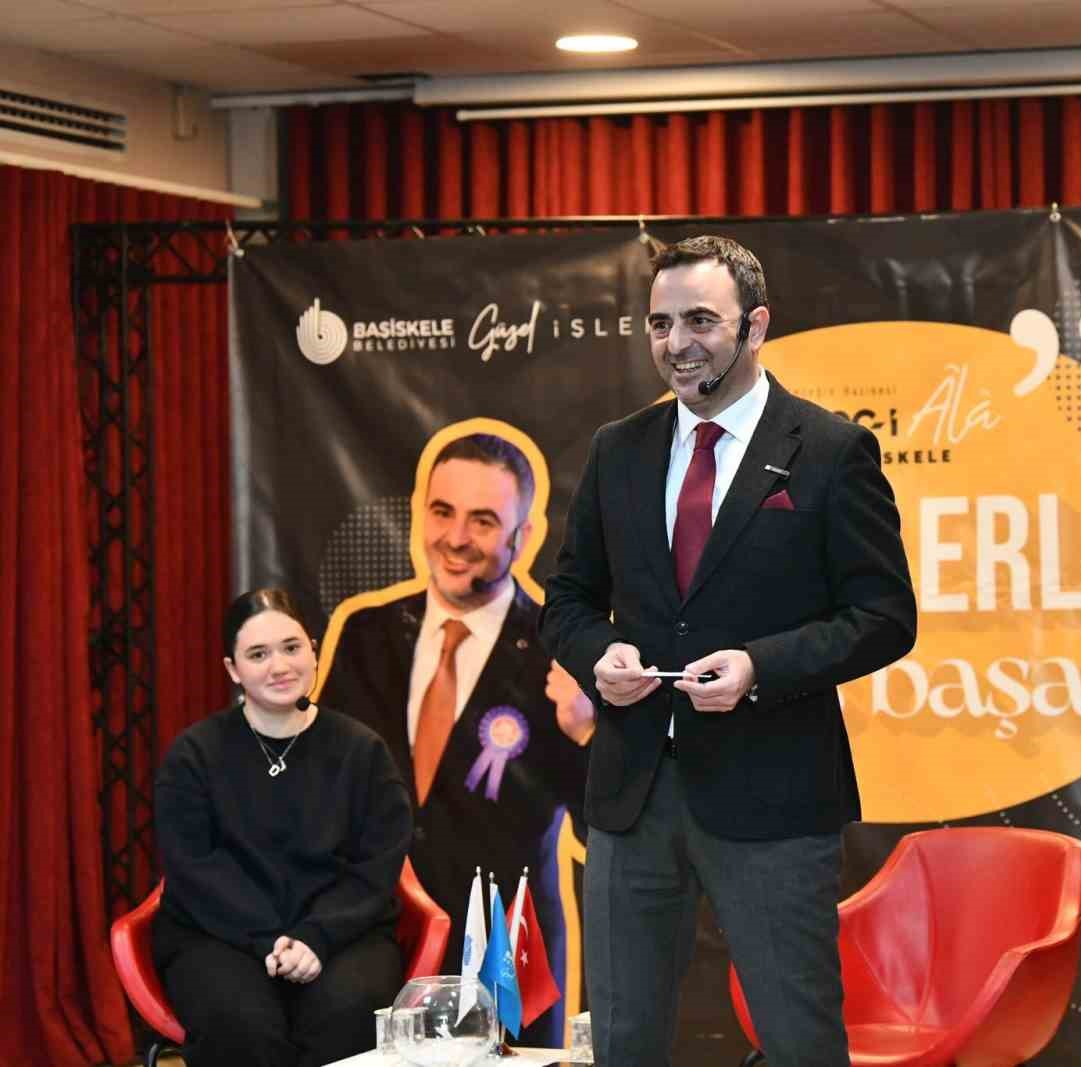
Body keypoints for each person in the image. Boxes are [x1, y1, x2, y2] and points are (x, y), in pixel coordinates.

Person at [540, 235, 917, 1066]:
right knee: (624, 1044)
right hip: (632, 796)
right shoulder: (617, 449)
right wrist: (599, 655)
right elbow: (566, 599)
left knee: (798, 1043)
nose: (677, 343)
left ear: (756, 325)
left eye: (701, 321)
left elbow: (886, 616)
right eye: (660, 323)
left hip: (774, 796)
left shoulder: (829, 451)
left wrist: (759, 668)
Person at [319, 430, 592, 1047]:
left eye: (483, 521)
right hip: (373, 941)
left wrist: (585, 731)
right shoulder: (365, 634)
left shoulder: (562, 649)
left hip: (505, 953)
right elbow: (321, 786)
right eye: (442, 512)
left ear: (524, 536)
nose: (456, 537)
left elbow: (600, 825)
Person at [152, 588, 412, 1067]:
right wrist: (268, 940)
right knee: (241, 1024)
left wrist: (316, 936)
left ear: (312, 650)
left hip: (343, 934)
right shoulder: (194, 756)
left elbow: (374, 869)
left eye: (292, 648)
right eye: (258, 654)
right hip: (220, 934)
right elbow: (194, 870)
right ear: (233, 669)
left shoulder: (363, 753)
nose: (280, 666)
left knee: (348, 1011)